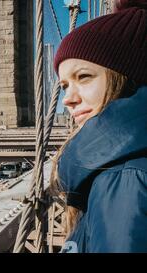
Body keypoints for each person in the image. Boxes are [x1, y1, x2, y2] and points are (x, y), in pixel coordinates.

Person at [50, 0, 147, 252]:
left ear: (127, 78)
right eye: (64, 86)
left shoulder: (123, 179)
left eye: (83, 77)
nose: (68, 99)